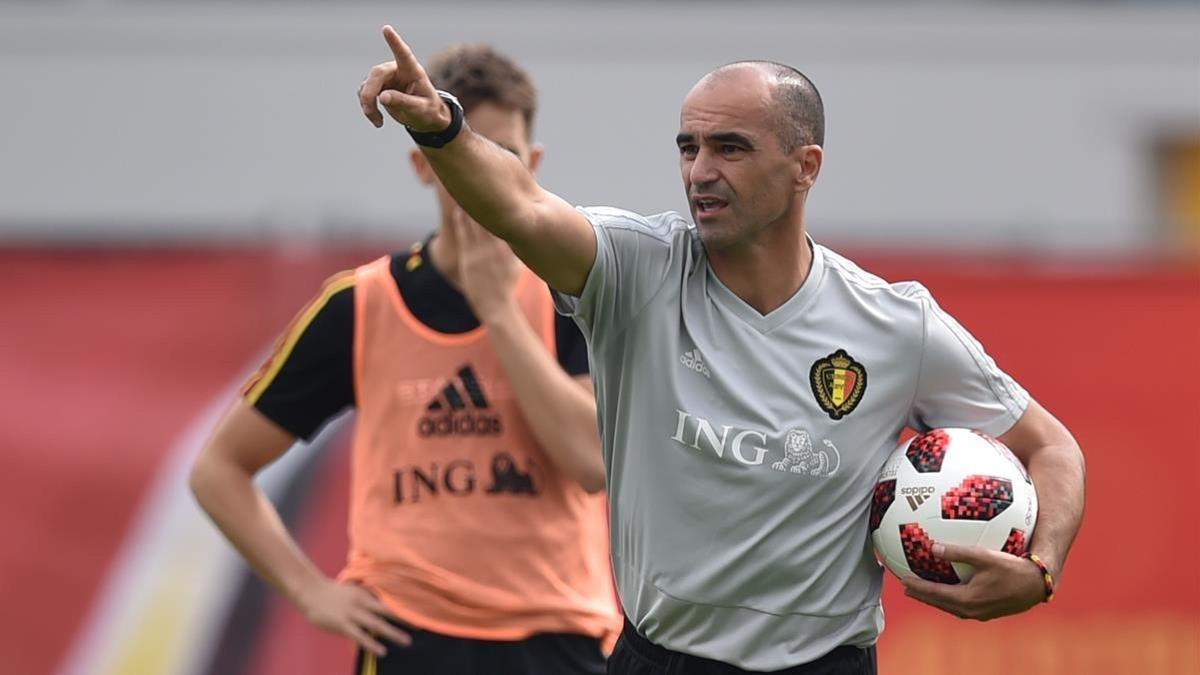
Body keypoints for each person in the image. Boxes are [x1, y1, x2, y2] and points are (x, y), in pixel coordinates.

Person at [355, 26, 1088, 675]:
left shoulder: (895, 324)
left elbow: (1051, 446)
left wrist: (1041, 565)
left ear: (806, 165)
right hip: (657, 659)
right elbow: (518, 204)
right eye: (688, 146)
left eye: (730, 148)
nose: (700, 170)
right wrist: (444, 131)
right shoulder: (633, 269)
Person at [191, 43, 621, 675]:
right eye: (457, 149)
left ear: (532, 163)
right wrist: (312, 592)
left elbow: (591, 463)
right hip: (412, 638)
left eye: (502, 153)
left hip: (561, 636)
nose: (479, 170)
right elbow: (219, 470)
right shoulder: (362, 303)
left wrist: (497, 309)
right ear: (424, 164)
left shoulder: (572, 288)